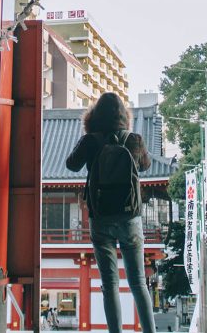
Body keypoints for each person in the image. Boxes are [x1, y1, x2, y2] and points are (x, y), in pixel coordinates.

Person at [66, 92, 156, 333]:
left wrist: (88, 138)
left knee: (109, 283)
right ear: (123, 116)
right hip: (130, 218)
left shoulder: (90, 141)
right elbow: (146, 166)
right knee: (138, 282)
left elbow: (71, 164)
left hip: (100, 217)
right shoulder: (133, 139)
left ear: (95, 116)